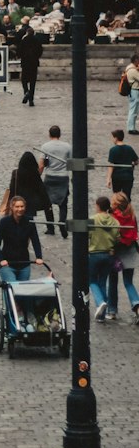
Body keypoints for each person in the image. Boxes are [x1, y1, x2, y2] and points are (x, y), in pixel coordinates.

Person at [0, 197, 45, 334]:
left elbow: (35, 240)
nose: (20, 209)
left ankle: (28, 317)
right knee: (13, 289)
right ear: (12, 208)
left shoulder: (29, 222)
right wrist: (1, 260)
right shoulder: (4, 222)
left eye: (22, 207)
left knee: (25, 292)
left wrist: (39, 257)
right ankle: (17, 317)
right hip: (8, 264)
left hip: (23, 263)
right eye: (17, 207)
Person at [89, 195, 120, 320]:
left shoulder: (92, 219)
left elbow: (87, 235)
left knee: (91, 280)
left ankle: (100, 301)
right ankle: (102, 314)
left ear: (97, 206)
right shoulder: (115, 221)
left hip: (94, 253)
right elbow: (117, 239)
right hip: (108, 255)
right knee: (102, 281)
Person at [109, 191, 139, 322]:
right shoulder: (132, 215)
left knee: (112, 281)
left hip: (116, 251)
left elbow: (110, 235)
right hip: (130, 249)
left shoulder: (113, 217)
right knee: (128, 282)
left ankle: (112, 310)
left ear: (116, 204)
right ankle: (136, 304)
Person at [38, 125, 72, 238]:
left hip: (50, 176)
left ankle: (50, 227)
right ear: (59, 134)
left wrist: (38, 176)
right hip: (63, 177)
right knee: (63, 203)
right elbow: (72, 162)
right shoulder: (67, 147)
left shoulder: (45, 146)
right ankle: (62, 222)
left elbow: (42, 164)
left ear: (49, 134)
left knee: (47, 203)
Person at [7, 151, 48, 220]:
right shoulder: (35, 174)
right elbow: (40, 188)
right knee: (29, 222)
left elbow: (12, 188)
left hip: (18, 201)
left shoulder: (16, 173)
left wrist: (10, 201)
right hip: (30, 203)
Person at [15, 21, 42, 106]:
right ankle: (31, 99)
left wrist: (20, 56)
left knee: (24, 80)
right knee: (33, 81)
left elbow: (19, 51)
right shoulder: (37, 40)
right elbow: (40, 51)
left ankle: (26, 92)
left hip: (25, 62)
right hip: (34, 63)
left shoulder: (24, 40)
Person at [107, 128, 138, 201]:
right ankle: (127, 211)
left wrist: (108, 178)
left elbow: (111, 165)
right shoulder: (129, 148)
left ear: (116, 138)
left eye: (112, 137)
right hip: (128, 176)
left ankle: (117, 211)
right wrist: (133, 164)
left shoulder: (113, 150)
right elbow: (136, 161)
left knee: (116, 196)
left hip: (117, 177)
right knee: (127, 196)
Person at [123, 50, 139, 135]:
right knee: (133, 110)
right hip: (135, 91)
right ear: (136, 60)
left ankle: (132, 127)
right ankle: (131, 128)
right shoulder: (133, 70)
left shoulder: (129, 67)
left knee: (133, 109)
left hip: (133, 91)